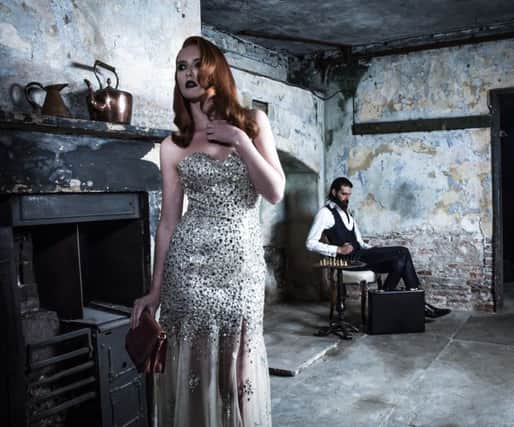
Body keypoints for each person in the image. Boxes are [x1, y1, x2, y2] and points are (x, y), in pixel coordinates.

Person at [130, 36, 284, 426]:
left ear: (216, 68)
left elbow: (275, 192)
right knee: (194, 373)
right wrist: (155, 289)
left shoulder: (253, 123)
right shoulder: (173, 146)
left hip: (241, 271)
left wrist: (241, 142)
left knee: (238, 378)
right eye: (181, 67)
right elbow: (167, 222)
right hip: (189, 273)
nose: (188, 73)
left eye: (196, 63)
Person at [306, 177, 450, 319]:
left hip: (361, 255)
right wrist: (338, 250)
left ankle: (390, 303)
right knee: (402, 251)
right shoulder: (325, 213)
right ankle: (415, 304)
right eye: (343, 194)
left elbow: (360, 243)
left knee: (398, 261)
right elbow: (310, 243)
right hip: (348, 261)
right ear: (333, 192)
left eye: (349, 194)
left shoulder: (347, 213)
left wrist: (376, 250)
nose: (346, 198)